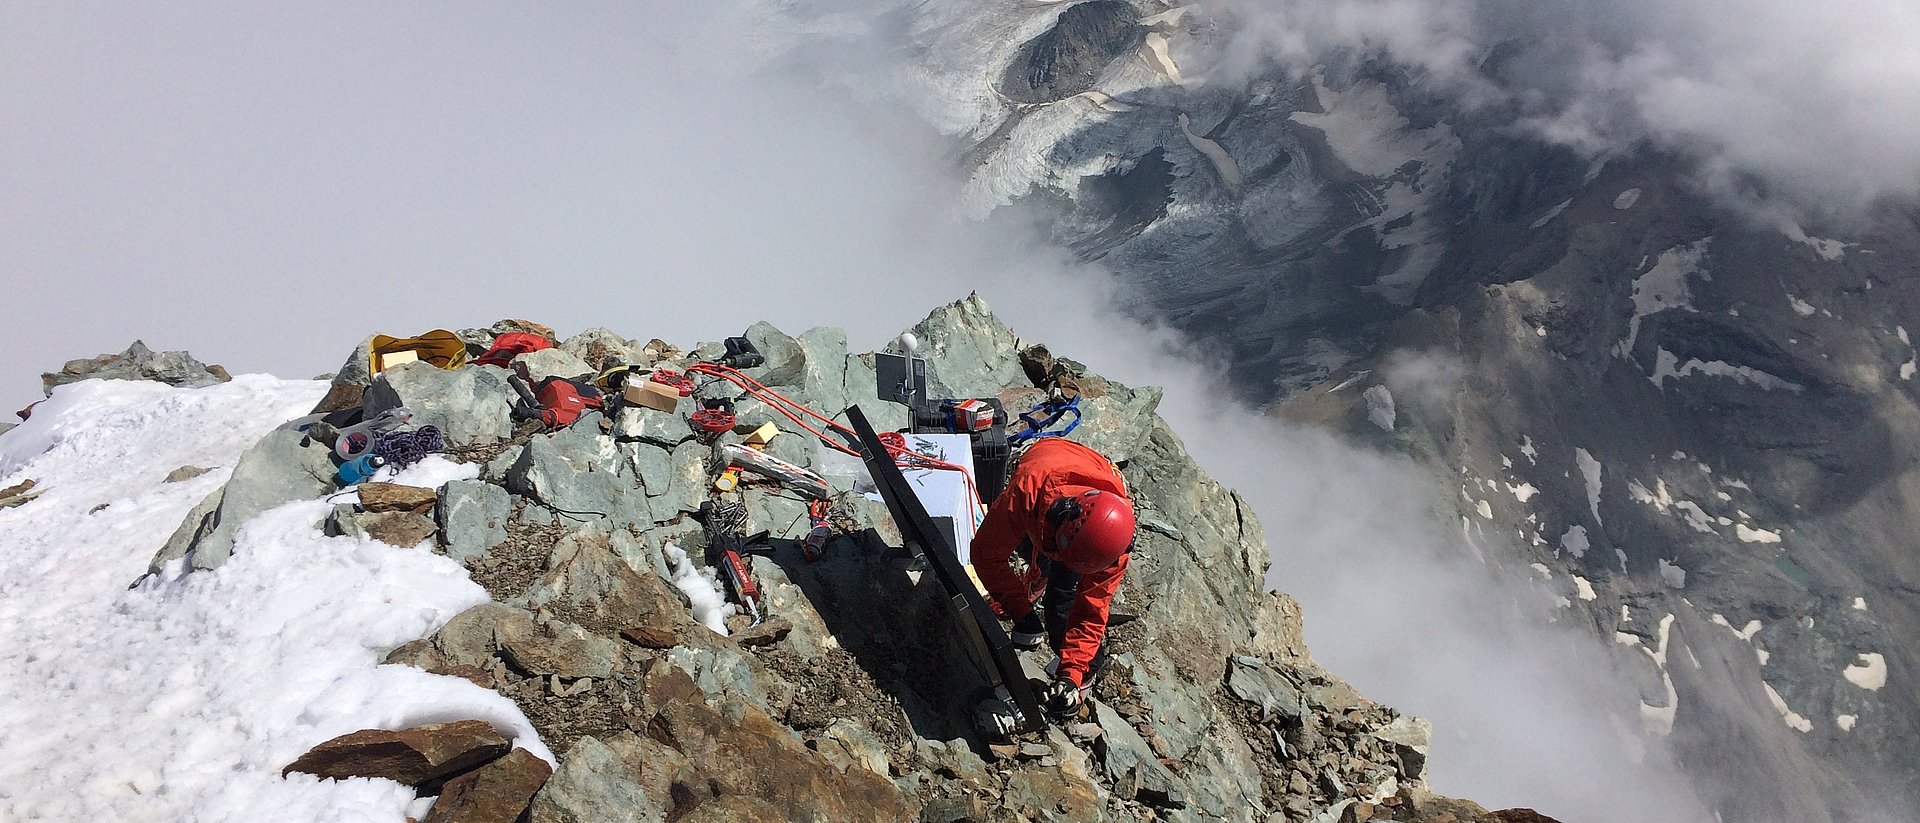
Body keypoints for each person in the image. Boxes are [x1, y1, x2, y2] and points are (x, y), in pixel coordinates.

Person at [970, 437, 1136, 721]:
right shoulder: (1026, 493)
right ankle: (1041, 575)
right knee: (1028, 551)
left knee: (1063, 600)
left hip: (1084, 475)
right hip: (1046, 465)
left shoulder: (1113, 544)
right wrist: (1021, 612)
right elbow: (986, 555)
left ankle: (1083, 671)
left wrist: (1071, 674)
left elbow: (1091, 611)